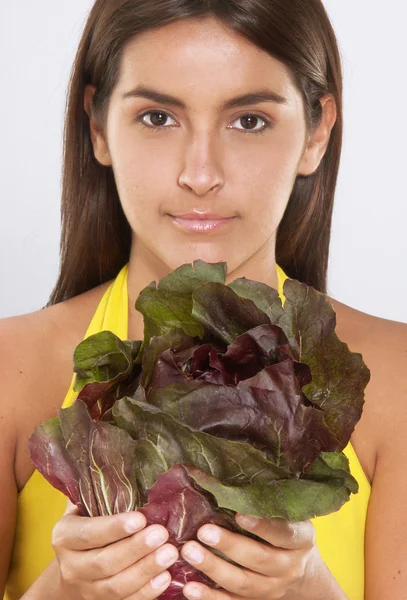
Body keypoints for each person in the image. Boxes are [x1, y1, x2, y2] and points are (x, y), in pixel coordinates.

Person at [1, 0, 406, 598]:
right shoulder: (11, 372)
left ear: (317, 133)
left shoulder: (399, 382)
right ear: (97, 126)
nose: (200, 173)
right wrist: (62, 589)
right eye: (158, 117)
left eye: (249, 121)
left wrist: (309, 590)